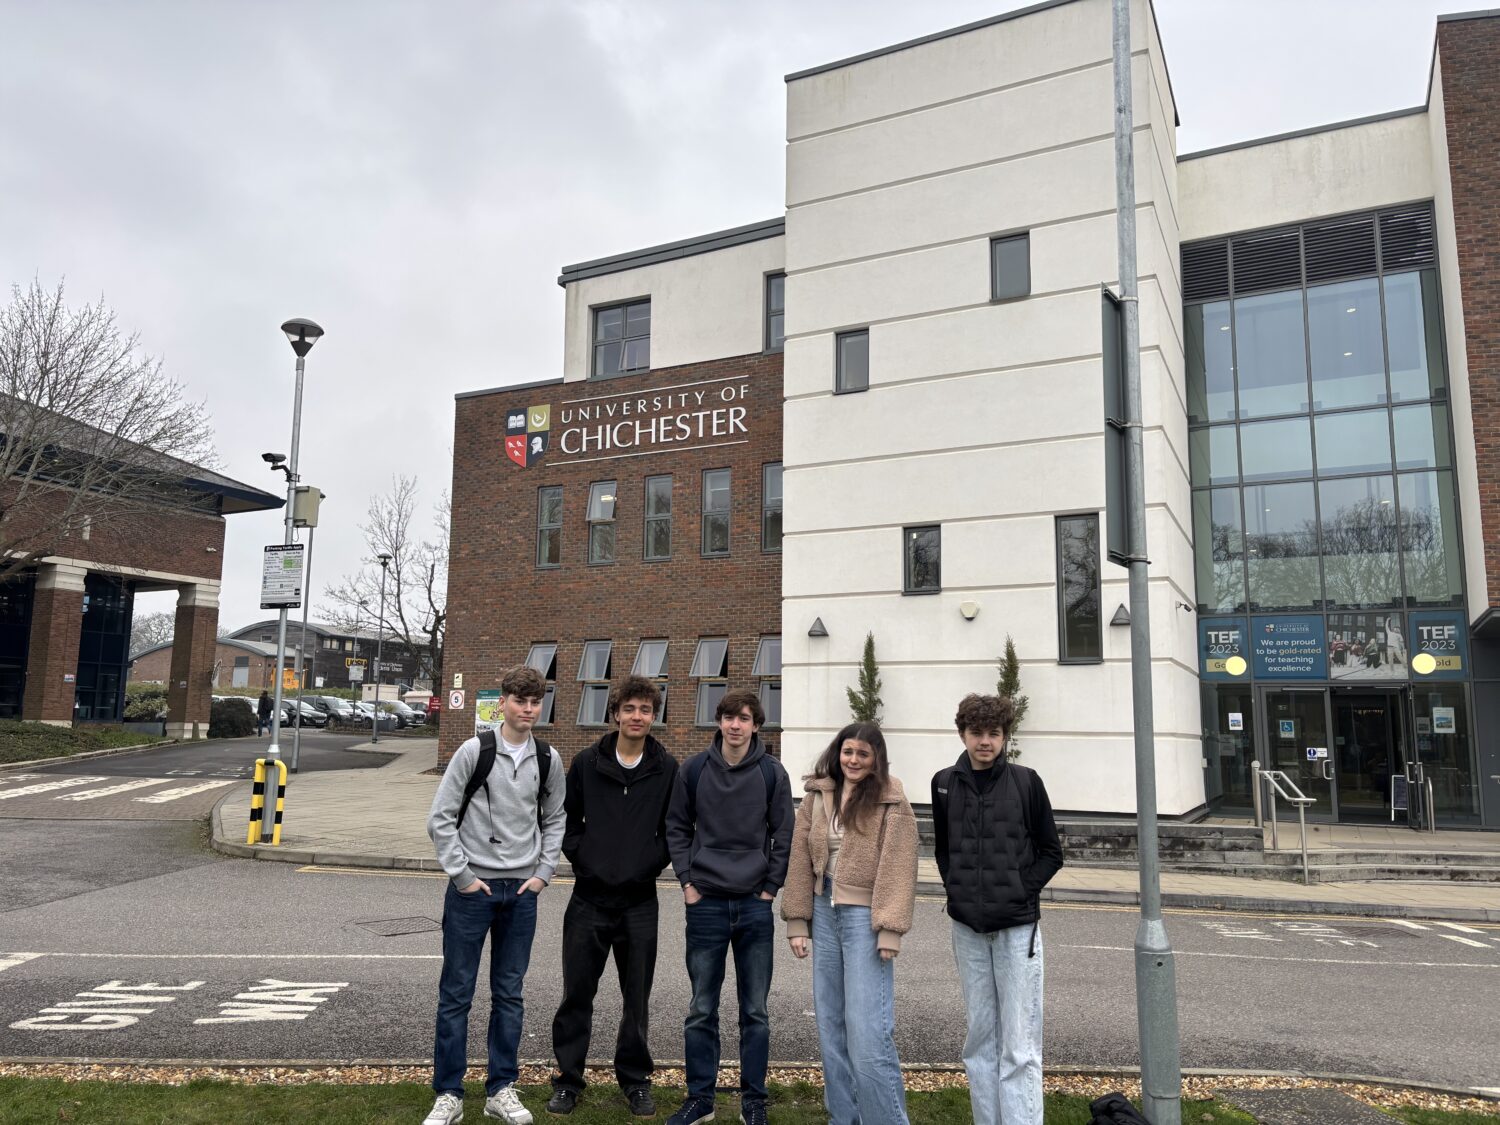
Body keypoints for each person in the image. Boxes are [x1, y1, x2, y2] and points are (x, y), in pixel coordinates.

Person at [422, 665, 565, 1125]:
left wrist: (544, 873)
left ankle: (501, 1088)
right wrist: (462, 876)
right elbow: (440, 818)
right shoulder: (474, 751)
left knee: (510, 994)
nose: (527, 709)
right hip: (473, 891)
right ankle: (449, 1093)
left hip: (522, 892)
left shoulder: (548, 759)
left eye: (534, 701)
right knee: (456, 994)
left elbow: (555, 818)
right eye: (519, 701)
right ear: (502, 702)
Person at [547, 676, 680, 1118]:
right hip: (588, 900)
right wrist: (585, 859)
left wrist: (648, 863)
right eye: (630, 709)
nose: (637, 717)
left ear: (652, 716)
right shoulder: (587, 762)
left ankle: (636, 1080)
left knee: (636, 999)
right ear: (616, 713)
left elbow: (673, 829)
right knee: (576, 995)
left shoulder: (667, 768)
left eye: (645, 710)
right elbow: (566, 821)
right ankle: (568, 1080)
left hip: (640, 902)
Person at [931, 693, 1063, 1125]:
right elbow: (944, 851)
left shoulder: (1027, 781)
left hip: (1015, 930)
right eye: (976, 733)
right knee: (980, 1041)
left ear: (1005, 736)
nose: (984, 741)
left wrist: (1019, 892)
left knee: (1019, 1047)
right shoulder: (944, 783)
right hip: (967, 928)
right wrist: (958, 890)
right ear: (963, 734)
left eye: (993, 733)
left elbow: (1050, 852)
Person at [665, 689, 794, 1125]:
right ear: (718, 722)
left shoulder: (773, 773)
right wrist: (687, 883)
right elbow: (677, 827)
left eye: (743, 718)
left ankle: (752, 1099)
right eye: (727, 717)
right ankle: (700, 1099)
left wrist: (769, 889)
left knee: (754, 1010)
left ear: (756, 725)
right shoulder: (695, 769)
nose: (735, 725)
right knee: (702, 1007)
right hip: (705, 904)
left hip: (754, 906)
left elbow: (783, 834)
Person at [782, 722, 918, 1125]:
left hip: (866, 920)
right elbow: (798, 859)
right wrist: (797, 921)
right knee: (832, 1030)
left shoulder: (892, 799)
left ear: (876, 758)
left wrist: (890, 928)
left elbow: (899, 865)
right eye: (847, 752)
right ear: (837, 753)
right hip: (824, 913)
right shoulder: (817, 795)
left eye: (863, 753)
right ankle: (844, 1118)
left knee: (869, 1035)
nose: (853, 760)